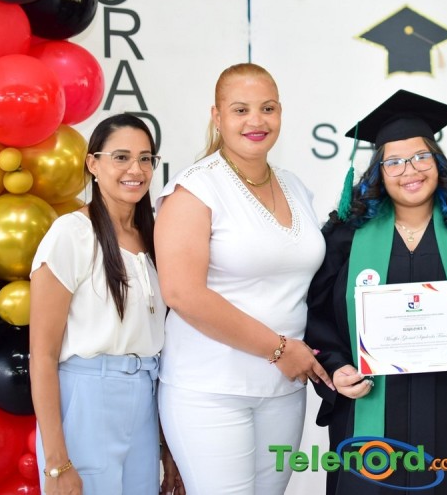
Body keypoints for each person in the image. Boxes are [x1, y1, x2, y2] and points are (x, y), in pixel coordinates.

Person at [305, 89, 447, 494]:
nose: (410, 170)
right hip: (370, 419)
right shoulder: (344, 238)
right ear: (378, 171)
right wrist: (336, 369)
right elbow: (317, 322)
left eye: (422, 157)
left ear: (438, 163)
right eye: (394, 161)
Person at [154, 62, 334, 495]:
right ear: (217, 117)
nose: (256, 121)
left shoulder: (294, 186)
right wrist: (278, 349)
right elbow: (182, 293)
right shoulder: (194, 189)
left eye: (267, 108)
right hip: (211, 388)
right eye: (240, 110)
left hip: (283, 389)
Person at [29, 114, 182, 494]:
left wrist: (167, 446)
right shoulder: (72, 233)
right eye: (121, 157)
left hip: (144, 399)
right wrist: (56, 461)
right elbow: (42, 356)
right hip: (86, 400)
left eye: (146, 159)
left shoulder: (154, 237)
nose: (136, 170)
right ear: (93, 164)